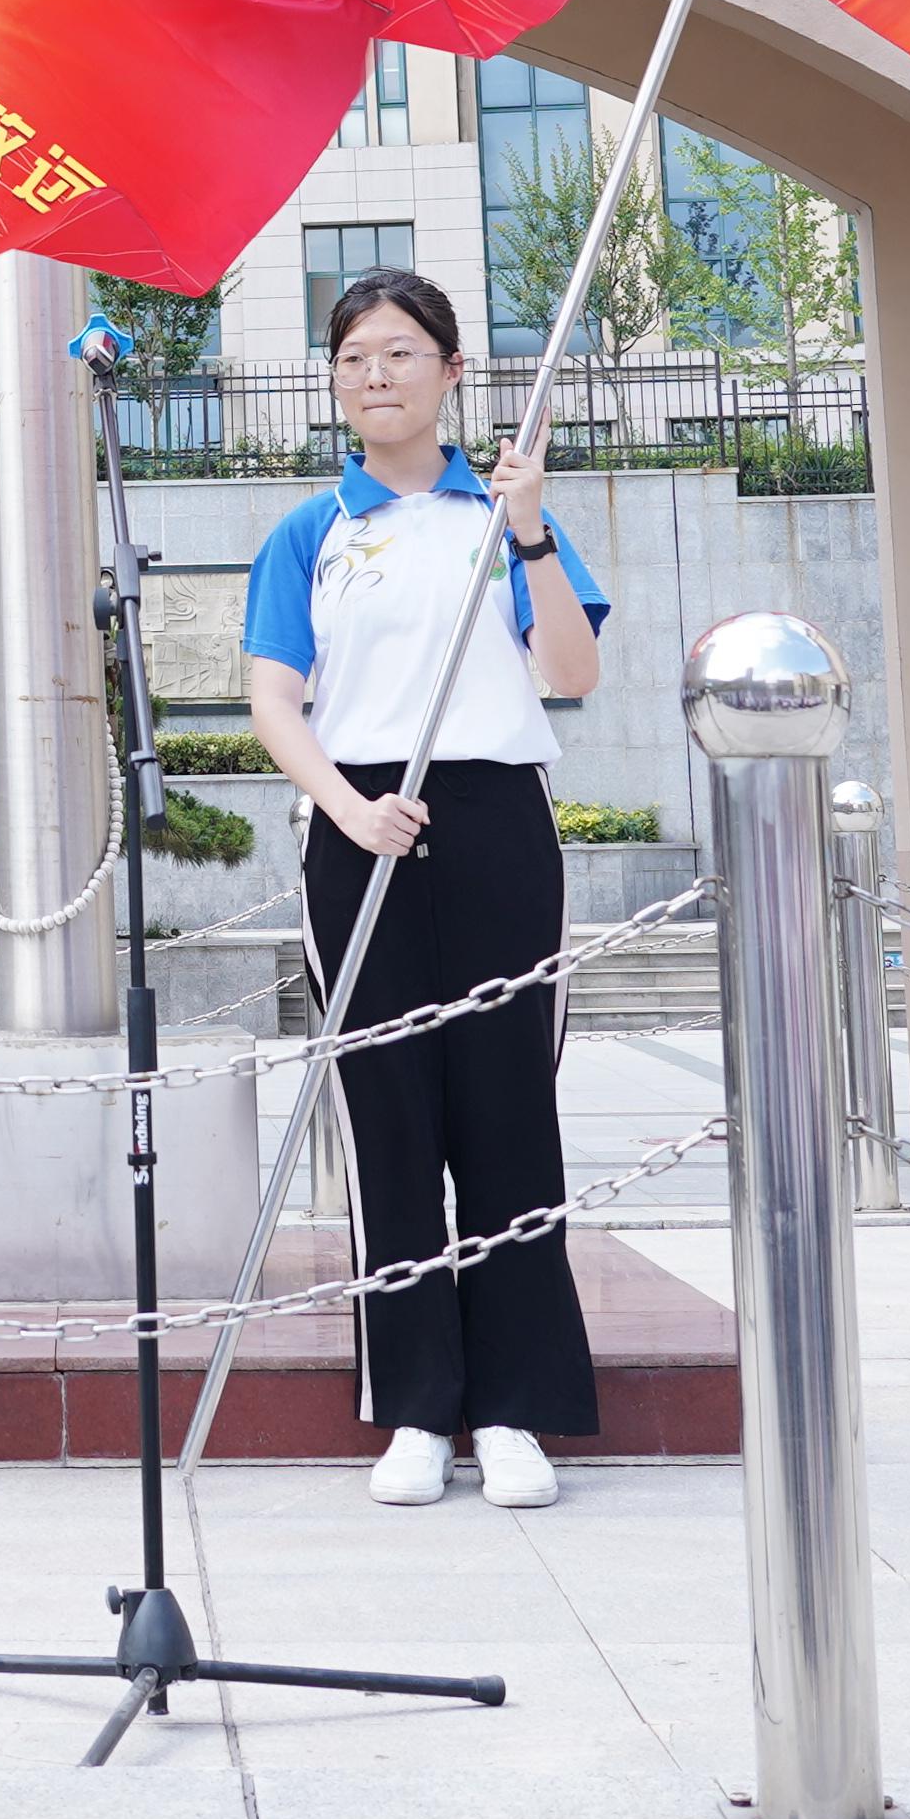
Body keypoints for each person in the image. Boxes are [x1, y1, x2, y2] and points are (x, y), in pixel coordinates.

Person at [242, 264, 608, 1512]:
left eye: (402, 353)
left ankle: (515, 1405)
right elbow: (274, 702)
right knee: (389, 1120)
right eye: (355, 358)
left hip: (497, 820)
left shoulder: (500, 514)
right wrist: (348, 808)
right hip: (362, 830)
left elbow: (573, 670)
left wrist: (531, 528)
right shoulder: (311, 533)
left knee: (507, 1114)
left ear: (453, 372)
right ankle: (415, 1405)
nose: (377, 376)